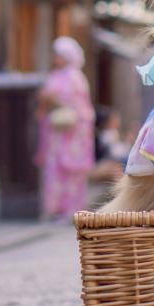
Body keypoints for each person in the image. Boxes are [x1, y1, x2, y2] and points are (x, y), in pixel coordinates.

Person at [35, 36, 95, 220]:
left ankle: (71, 210)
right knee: (56, 170)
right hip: (57, 131)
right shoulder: (56, 75)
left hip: (72, 130)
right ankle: (55, 209)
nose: (55, 58)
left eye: (58, 54)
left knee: (71, 171)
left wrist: (52, 100)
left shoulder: (75, 77)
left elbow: (76, 105)